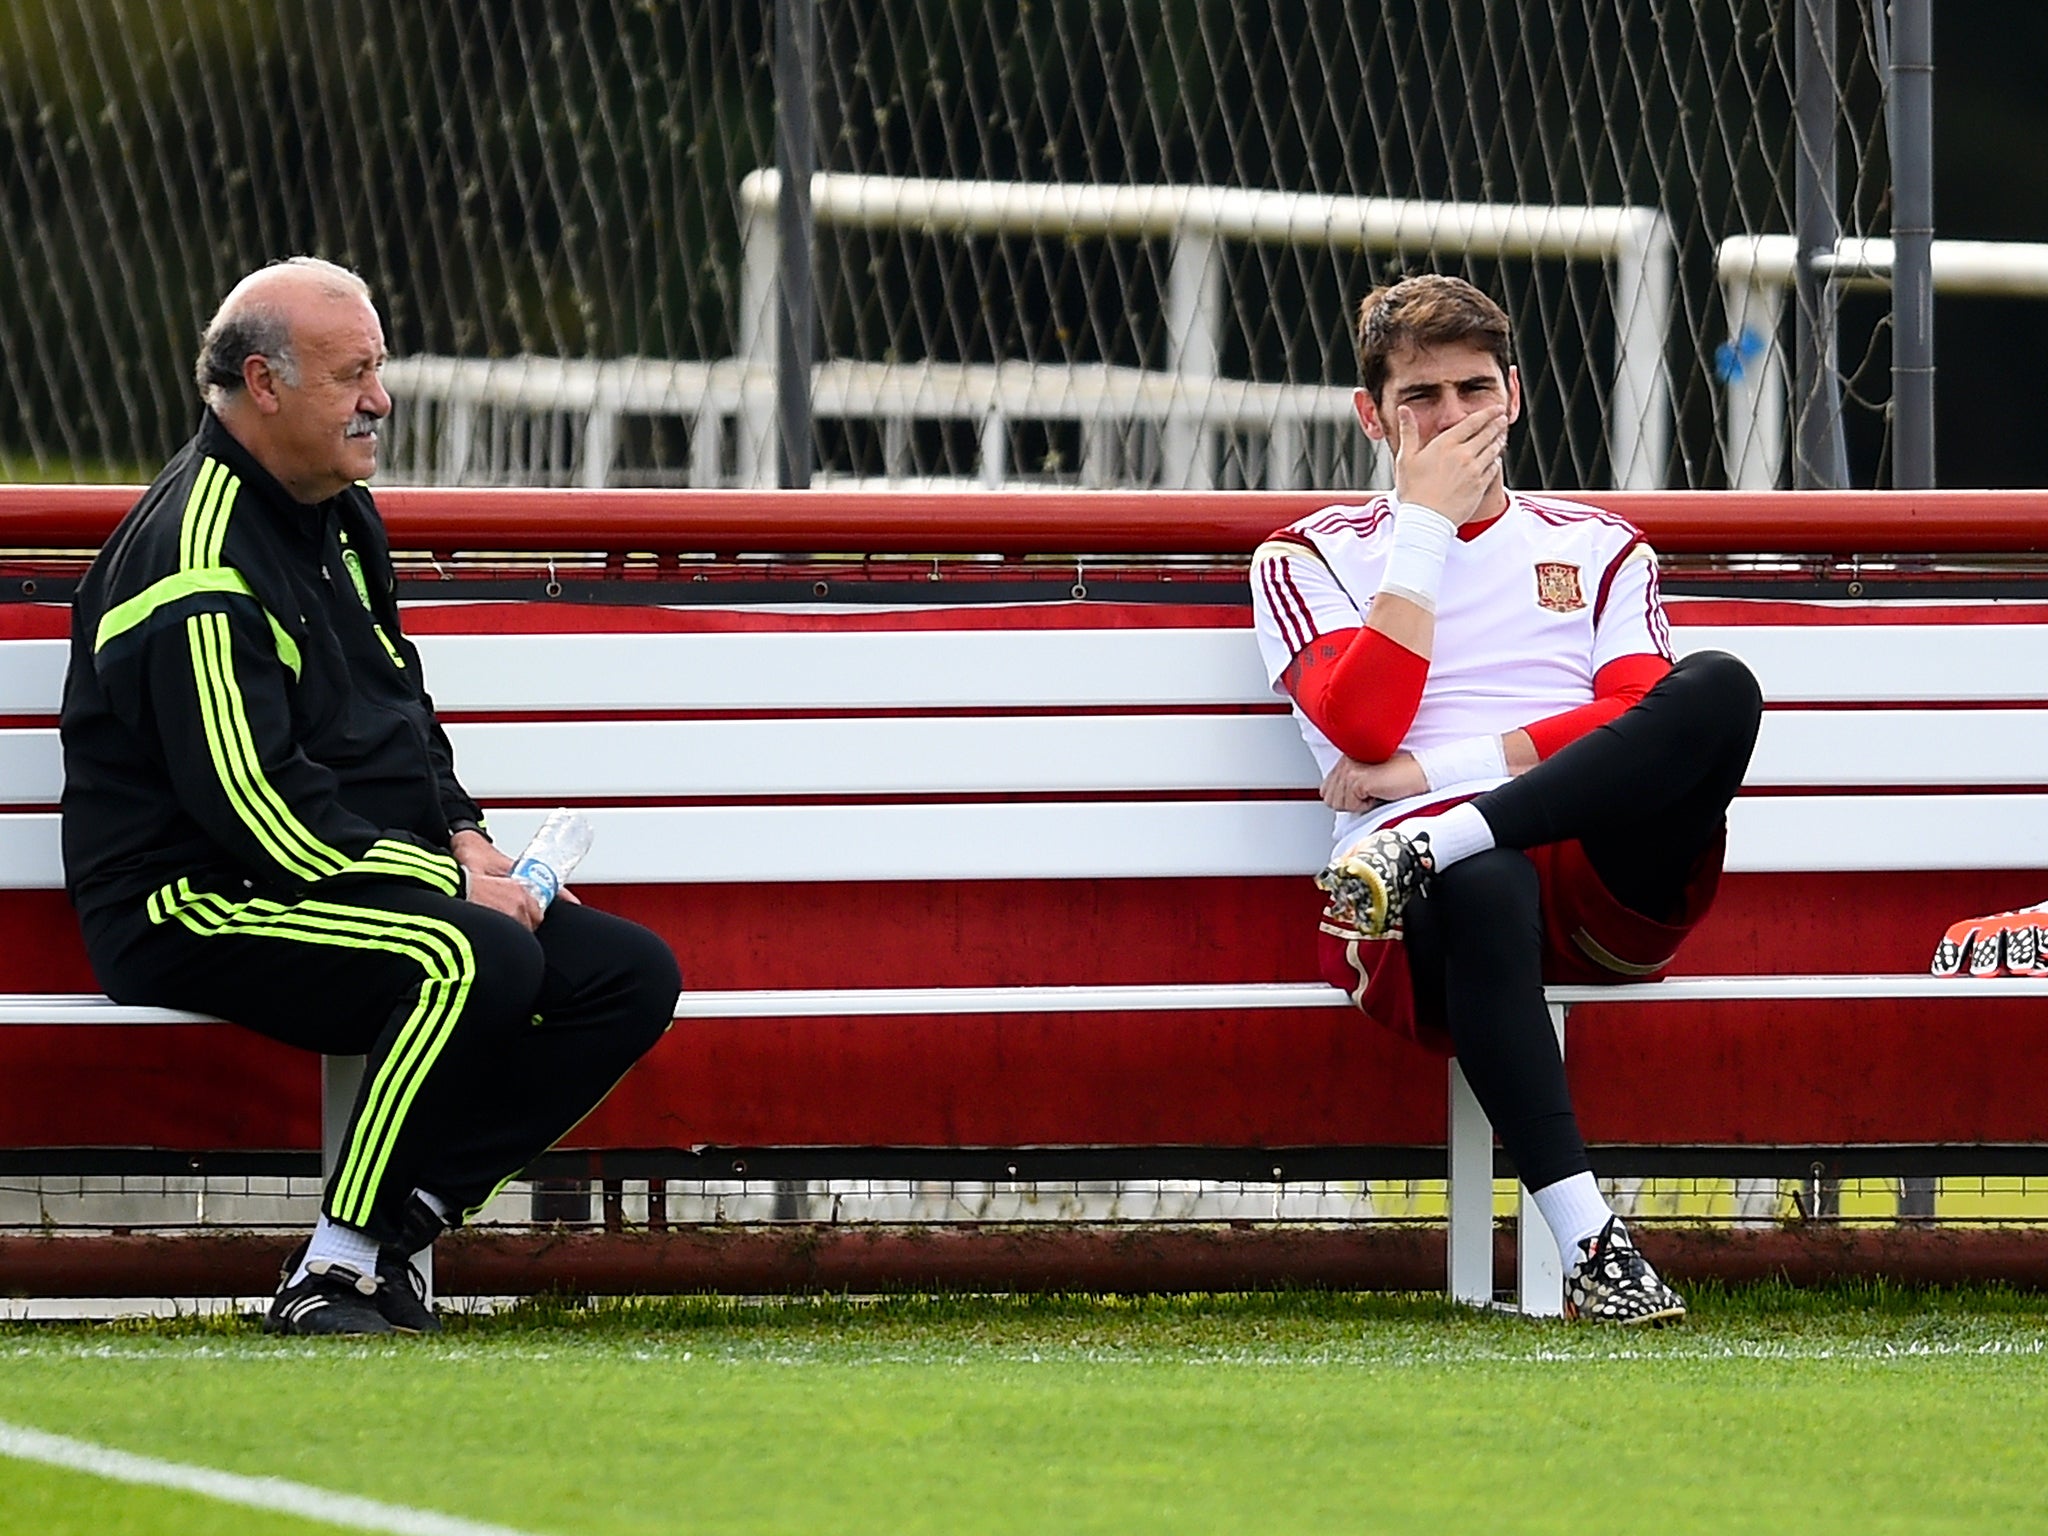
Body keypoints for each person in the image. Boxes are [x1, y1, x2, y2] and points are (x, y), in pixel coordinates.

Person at [60, 257, 681, 1336]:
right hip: (191, 898)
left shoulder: (341, 514)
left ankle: (400, 1230)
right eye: (353, 375)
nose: (379, 400)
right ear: (264, 382)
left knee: (629, 975)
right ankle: (330, 1276)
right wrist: (449, 887)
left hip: (329, 869)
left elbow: (400, 712)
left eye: (377, 370)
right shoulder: (193, 557)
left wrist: (467, 838)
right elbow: (256, 814)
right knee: (469, 955)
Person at [1249, 275, 1761, 1323]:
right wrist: (1422, 529)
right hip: (1406, 914)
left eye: (1472, 391)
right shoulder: (1306, 555)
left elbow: (1632, 722)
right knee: (1477, 881)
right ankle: (1594, 1247)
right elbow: (1363, 729)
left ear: (1514, 395)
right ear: (1370, 416)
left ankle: (1445, 838)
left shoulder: (1597, 543)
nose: (1451, 421)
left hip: (1591, 880)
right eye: (1419, 400)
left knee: (1715, 687)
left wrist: (1439, 785)